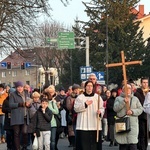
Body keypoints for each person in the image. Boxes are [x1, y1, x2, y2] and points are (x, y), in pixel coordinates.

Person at [74, 80, 104, 150]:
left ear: (93, 87)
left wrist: (100, 112)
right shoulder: (80, 97)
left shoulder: (97, 97)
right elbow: (76, 108)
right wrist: (85, 104)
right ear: (85, 87)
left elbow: (102, 108)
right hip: (83, 125)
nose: (90, 87)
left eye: (91, 86)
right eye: (88, 86)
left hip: (94, 124)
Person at [113, 84, 143, 150]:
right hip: (122, 123)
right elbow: (115, 109)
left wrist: (132, 111)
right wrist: (123, 102)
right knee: (123, 145)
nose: (128, 90)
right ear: (122, 90)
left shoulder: (135, 99)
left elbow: (141, 109)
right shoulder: (118, 98)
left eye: (129, 88)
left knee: (133, 145)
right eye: (126, 88)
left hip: (133, 125)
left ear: (131, 89)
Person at [9, 81, 31, 150]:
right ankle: (17, 148)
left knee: (25, 132)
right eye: (18, 87)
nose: (20, 88)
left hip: (25, 116)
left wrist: (29, 105)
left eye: (21, 87)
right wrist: (21, 104)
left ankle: (24, 146)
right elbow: (11, 105)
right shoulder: (12, 94)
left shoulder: (26, 93)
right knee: (17, 134)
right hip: (16, 117)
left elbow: (29, 103)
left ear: (23, 87)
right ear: (16, 88)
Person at [134, 77, 149, 150]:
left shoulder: (149, 93)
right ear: (141, 83)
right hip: (141, 116)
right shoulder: (137, 93)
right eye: (144, 82)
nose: (145, 84)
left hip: (148, 116)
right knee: (142, 134)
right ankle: (141, 148)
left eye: (147, 82)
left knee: (147, 134)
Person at [66, 84, 80, 150]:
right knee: (73, 131)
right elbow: (68, 107)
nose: (77, 91)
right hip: (72, 115)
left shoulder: (80, 96)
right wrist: (74, 105)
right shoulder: (69, 97)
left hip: (80, 116)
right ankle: (73, 144)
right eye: (76, 89)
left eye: (78, 89)